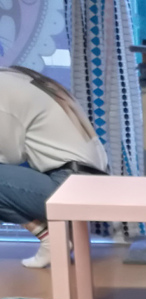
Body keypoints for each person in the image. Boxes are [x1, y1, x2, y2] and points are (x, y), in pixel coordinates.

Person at [0, 66, 107, 268]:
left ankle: (51, 240)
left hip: (69, 184)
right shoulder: (17, 76)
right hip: (88, 181)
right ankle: (55, 239)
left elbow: (10, 155)